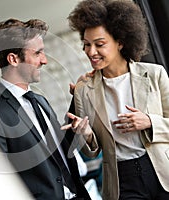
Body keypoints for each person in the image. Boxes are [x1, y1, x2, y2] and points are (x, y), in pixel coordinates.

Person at [0, 18, 91, 200]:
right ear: (14, 59)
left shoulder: (40, 100)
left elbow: (55, 150)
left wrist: (78, 100)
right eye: (38, 53)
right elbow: (1, 181)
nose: (45, 61)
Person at [61, 0, 169, 199]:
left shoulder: (155, 74)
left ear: (120, 42)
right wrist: (85, 133)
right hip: (122, 181)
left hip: (163, 171)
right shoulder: (83, 90)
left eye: (99, 44)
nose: (91, 52)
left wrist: (149, 122)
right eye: (86, 45)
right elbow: (91, 152)